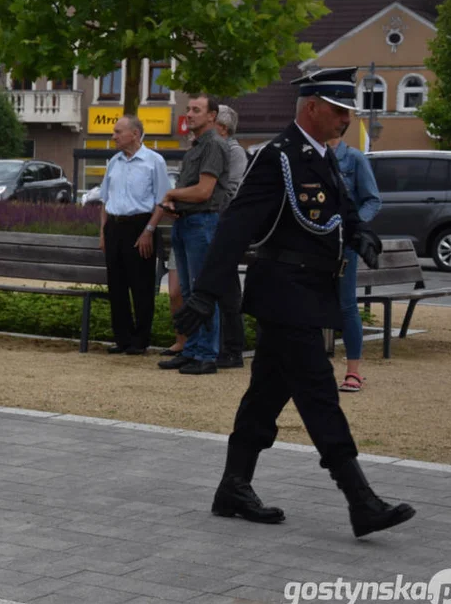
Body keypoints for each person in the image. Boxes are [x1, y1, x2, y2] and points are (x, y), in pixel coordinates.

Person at [175, 67, 415, 538]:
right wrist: (206, 292)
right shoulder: (278, 158)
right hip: (285, 294)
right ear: (311, 107)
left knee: (265, 395)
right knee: (319, 395)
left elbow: (341, 206)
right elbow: (236, 226)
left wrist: (361, 231)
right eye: (338, 111)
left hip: (309, 293)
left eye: (348, 112)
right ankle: (360, 500)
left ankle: (233, 487)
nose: (345, 120)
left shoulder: (323, 156)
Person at [157, 94, 228, 374]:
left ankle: (207, 354)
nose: (189, 114)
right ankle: (192, 349)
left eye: (196, 110)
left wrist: (172, 193)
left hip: (203, 224)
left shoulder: (214, 146)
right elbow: (192, 191)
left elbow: (204, 191)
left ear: (212, 115)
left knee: (202, 292)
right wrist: (173, 204)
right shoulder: (195, 147)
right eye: (188, 109)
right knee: (187, 292)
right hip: (185, 222)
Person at [98, 115, 170, 355]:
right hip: (114, 227)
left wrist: (149, 230)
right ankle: (123, 338)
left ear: (135, 134)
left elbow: (162, 201)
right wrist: (103, 233)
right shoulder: (114, 162)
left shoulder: (154, 161)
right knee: (116, 286)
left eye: (118, 132)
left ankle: (140, 340)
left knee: (142, 286)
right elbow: (105, 200)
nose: (113, 136)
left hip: (140, 225)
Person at [330, 132, 382, 392]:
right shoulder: (308, 157)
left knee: (347, 305)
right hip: (313, 244)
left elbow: (373, 199)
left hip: (344, 245)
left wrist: (354, 226)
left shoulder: (354, 158)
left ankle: (353, 372)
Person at [213, 105, 249, 369]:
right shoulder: (213, 149)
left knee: (227, 290)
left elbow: (231, 191)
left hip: (223, 226)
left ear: (222, 128)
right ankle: (218, 346)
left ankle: (233, 348)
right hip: (214, 223)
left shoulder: (234, 153)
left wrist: (205, 206)